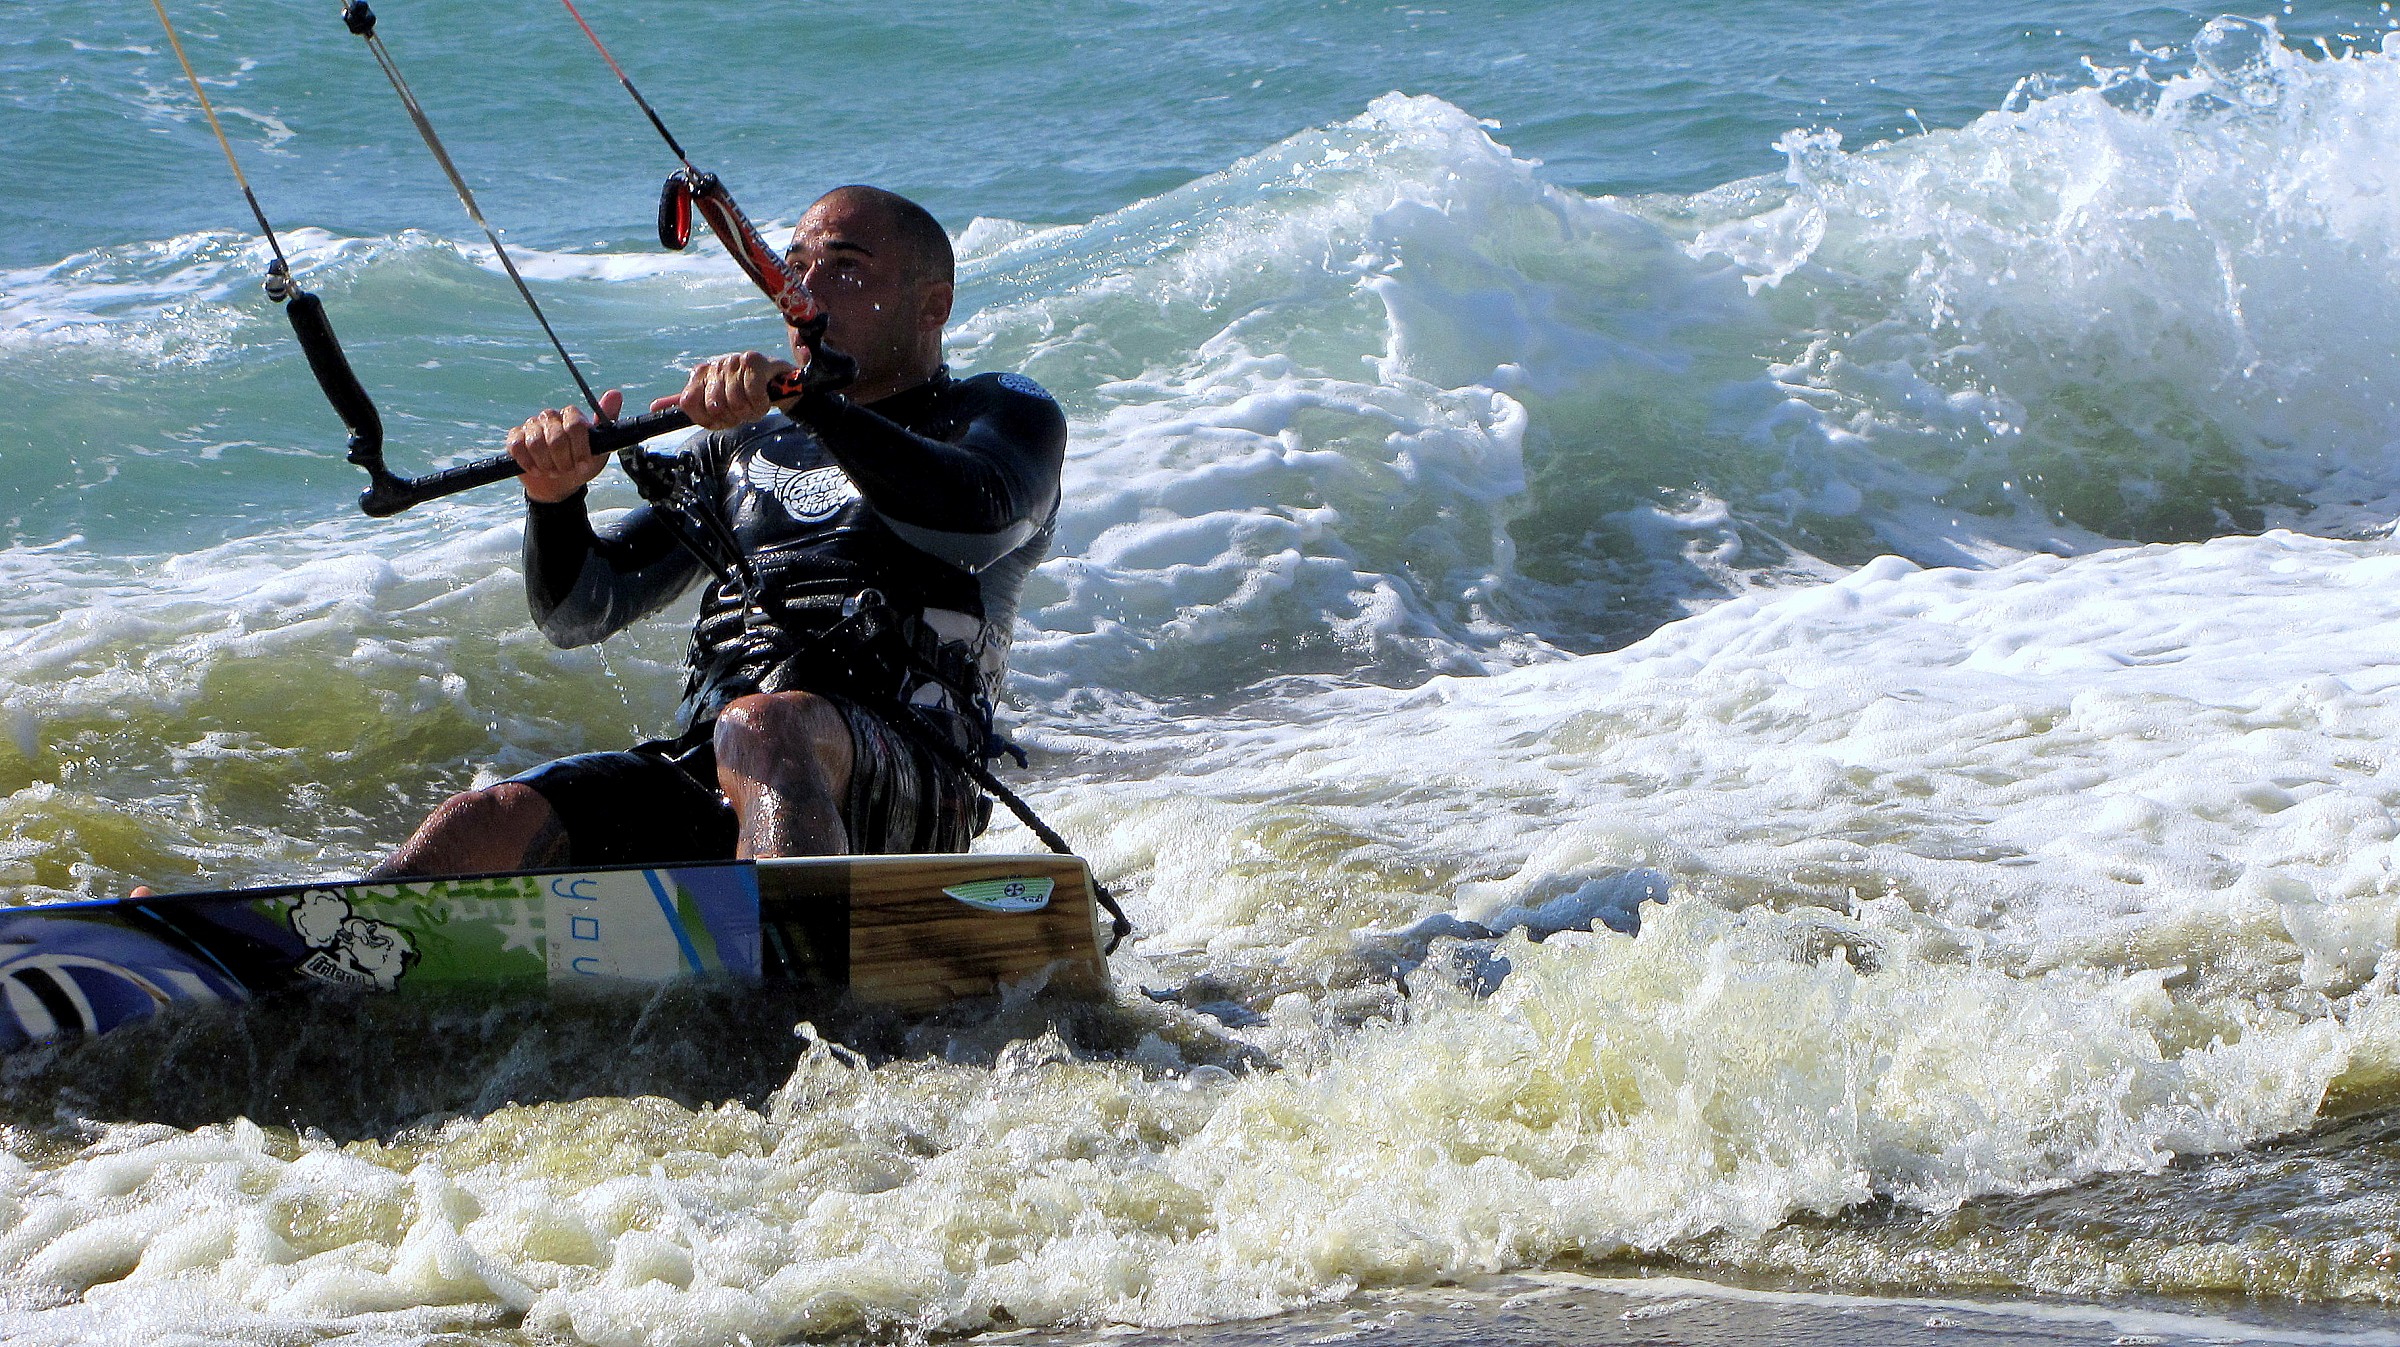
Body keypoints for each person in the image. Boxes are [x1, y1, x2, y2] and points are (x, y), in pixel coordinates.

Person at [373, 185, 1066, 875]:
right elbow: (581, 612)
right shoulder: (739, 448)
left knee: (765, 726)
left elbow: (977, 513)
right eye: (792, 264)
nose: (805, 287)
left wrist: (805, 402)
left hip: (912, 768)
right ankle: (300, 965)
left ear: (932, 305)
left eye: (846, 266)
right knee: (482, 821)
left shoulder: (1002, 414)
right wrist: (553, 501)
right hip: (731, 767)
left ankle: (797, 972)